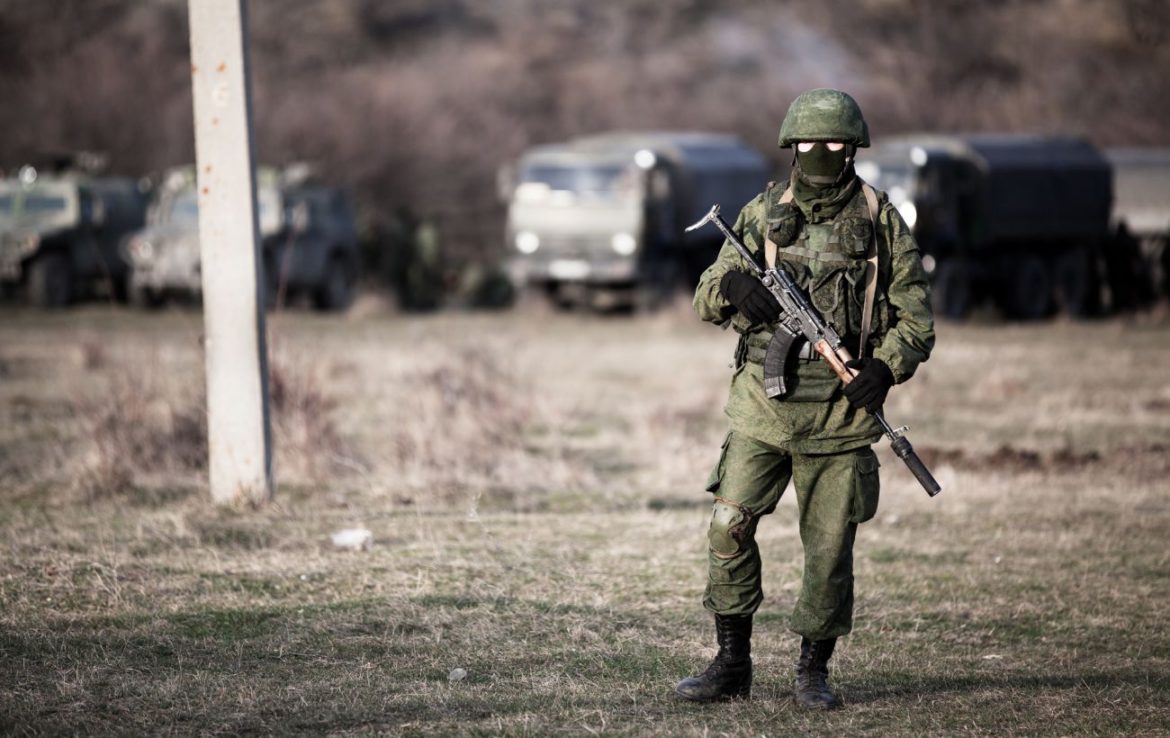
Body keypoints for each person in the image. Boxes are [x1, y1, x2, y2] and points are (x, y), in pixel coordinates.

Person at [675, 88, 935, 709]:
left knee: (828, 552)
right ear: (792, 147)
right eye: (810, 142)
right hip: (761, 413)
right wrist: (735, 285)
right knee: (728, 526)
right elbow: (705, 296)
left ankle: (813, 671)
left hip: (841, 418)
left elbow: (916, 323)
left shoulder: (881, 222)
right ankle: (732, 662)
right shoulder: (761, 214)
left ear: (854, 149)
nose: (822, 152)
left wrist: (884, 368)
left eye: (835, 142)